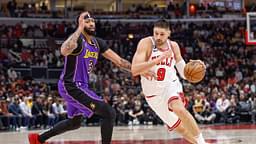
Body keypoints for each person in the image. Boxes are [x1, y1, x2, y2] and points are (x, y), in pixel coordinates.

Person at [28, 11, 133, 144]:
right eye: (86, 21)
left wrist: (140, 69)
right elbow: (64, 50)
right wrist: (79, 28)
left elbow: (120, 61)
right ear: (80, 24)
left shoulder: (97, 43)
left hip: (81, 86)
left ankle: (38, 139)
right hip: (70, 85)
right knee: (109, 112)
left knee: (75, 123)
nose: (91, 23)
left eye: (92, 21)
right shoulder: (77, 40)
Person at [131, 19, 208, 144]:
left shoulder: (174, 46)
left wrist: (196, 67)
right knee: (181, 129)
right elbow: (134, 69)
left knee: (178, 108)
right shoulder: (146, 43)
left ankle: (202, 142)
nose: (158, 37)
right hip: (153, 95)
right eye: (156, 33)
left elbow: (184, 73)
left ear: (168, 33)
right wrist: (158, 59)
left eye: (162, 34)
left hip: (170, 86)